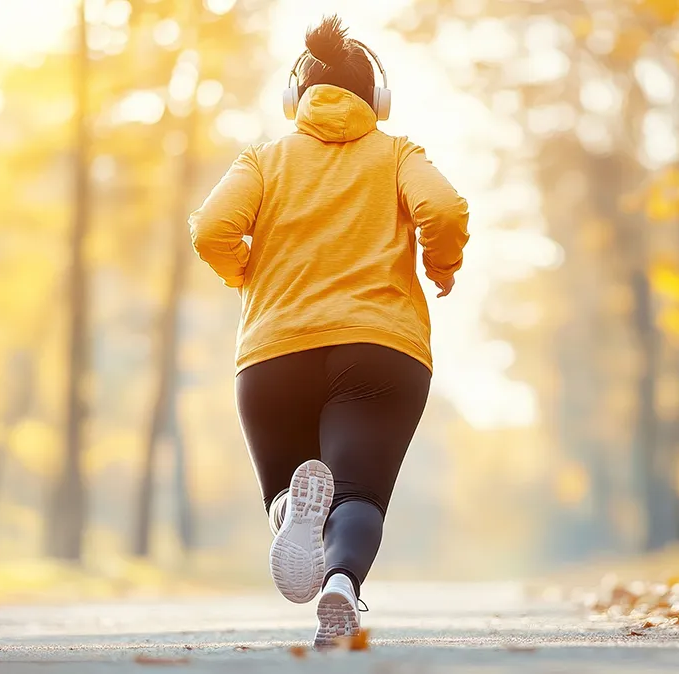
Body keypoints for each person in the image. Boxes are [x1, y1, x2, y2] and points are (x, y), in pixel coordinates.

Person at [188, 15, 469, 648]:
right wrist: (440, 264)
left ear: (295, 99)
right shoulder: (399, 154)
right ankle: (342, 582)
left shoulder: (263, 159)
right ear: (378, 101)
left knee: (288, 485)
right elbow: (444, 210)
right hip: (380, 349)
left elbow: (210, 229)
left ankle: (289, 511)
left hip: (274, 353)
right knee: (359, 494)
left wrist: (245, 276)